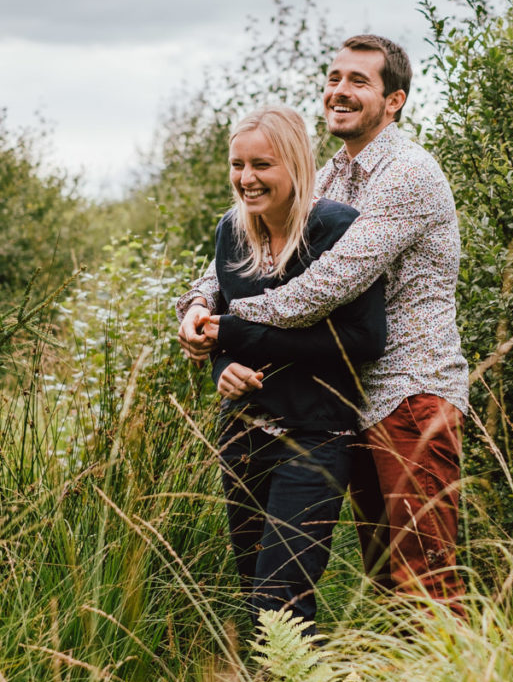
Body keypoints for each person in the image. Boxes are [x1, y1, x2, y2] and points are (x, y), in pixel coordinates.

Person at [177, 35, 469, 616]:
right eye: (334, 77)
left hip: (409, 392)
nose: (339, 90)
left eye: (359, 81)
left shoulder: (408, 173)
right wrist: (195, 307)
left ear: (395, 101)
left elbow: (325, 287)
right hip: (345, 399)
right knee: (385, 582)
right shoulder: (332, 176)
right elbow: (233, 259)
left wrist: (225, 326)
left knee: (425, 578)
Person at [187, 104, 386, 636]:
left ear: (295, 164)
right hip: (242, 431)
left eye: (262, 165)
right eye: (237, 165)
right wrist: (222, 367)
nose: (246, 179)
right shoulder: (230, 232)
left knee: (282, 596)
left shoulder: (338, 230)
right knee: (254, 586)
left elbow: (365, 340)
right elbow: (221, 324)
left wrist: (235, 335)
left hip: (317, 433)